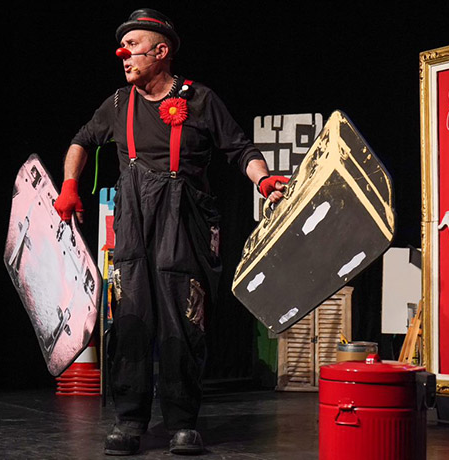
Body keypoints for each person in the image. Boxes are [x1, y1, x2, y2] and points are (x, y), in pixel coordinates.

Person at [53, 8, 287, 456]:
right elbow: (81, 140)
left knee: (183, 322)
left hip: (185, 221)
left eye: (134, 45)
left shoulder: (200, 99)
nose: (123, 54)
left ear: (161, 51)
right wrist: (68, 186)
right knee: (131, 321)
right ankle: (129, 420)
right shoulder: (118, 103)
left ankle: (182, 423)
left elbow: (240, 149)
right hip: (133, 224)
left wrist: (263, 180)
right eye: (123, 47)